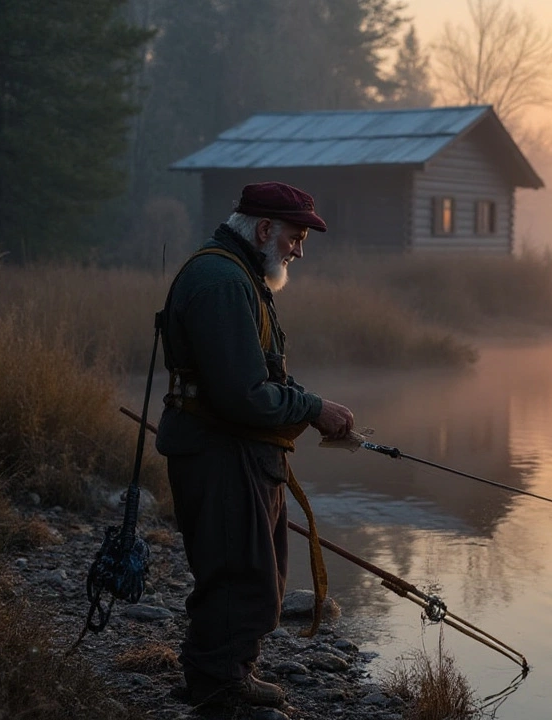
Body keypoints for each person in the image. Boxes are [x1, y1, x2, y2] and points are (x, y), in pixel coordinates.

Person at [155, 181, 355, 709]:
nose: (299, 249)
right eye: (295, 236)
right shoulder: (222, 281)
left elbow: (257, 378)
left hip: (237, 452)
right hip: (222, 453)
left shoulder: (239, 274)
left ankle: (213, 673)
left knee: (251, 572)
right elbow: (242, 396)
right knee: (239, 575)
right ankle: (221, 685)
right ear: (264, 229)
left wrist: (309, 406)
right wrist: (312, 410)